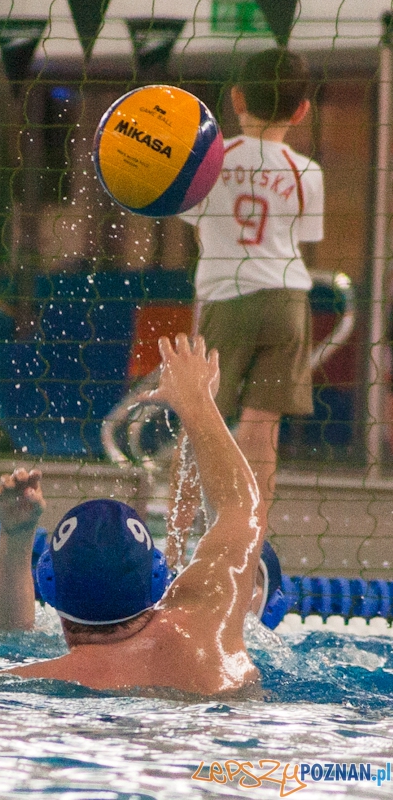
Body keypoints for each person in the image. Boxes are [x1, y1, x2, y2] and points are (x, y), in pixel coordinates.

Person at [0, 334, 270, 696]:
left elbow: (8, 642)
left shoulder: (31, 681)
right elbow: (240, 509)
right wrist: (197, 402)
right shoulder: (207, 631)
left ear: (50, 587)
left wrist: (15, 537)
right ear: (159, 581)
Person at [173, 48, 324, 531]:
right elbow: (300, 239)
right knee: (262, 429)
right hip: (287, 302)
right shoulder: (308, 172)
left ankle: (176, 540)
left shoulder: (211, 160)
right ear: (302, 111)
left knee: (200, 421)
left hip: (227, 297)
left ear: (236, 99)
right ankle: (249, 539)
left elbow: (199, 229)